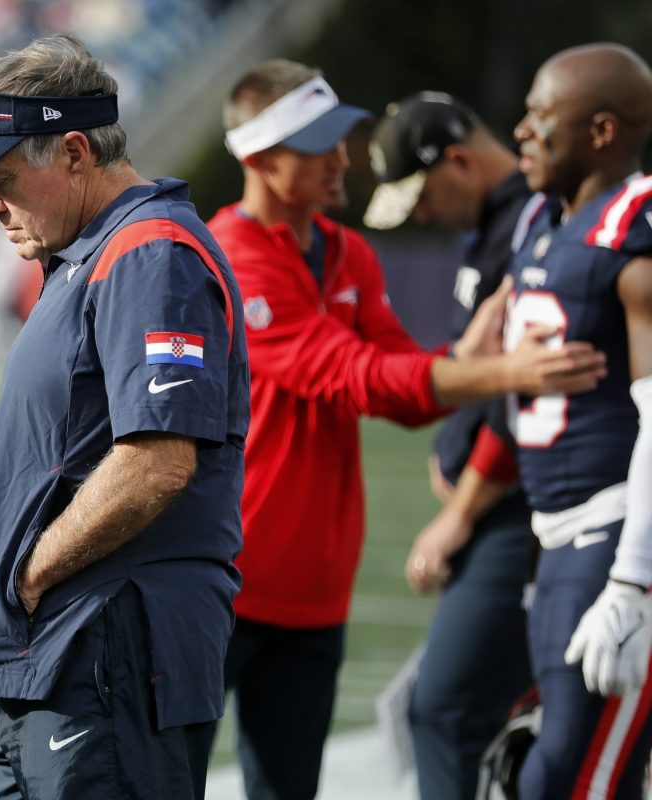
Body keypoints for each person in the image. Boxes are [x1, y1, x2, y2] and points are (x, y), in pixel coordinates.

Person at [206, 59, 607, 800]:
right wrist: (502, 371)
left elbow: (405, 392)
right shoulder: (230, 256)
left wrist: (468, 361)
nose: (342, 157)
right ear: (259, 158)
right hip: (223, 577)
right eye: (317, 143)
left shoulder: (348, 251)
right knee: (164, 778)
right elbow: (351, 374)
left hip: (317, 587)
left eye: (340, 137)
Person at [0, 34, 250, 799]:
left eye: (1, 178)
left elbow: (157, 460)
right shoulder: (94, 253)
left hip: (103, 656)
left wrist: (26, 575)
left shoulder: (149, 256)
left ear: (74, 152)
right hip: (64, 659)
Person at [364, 93, 535, 800]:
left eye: (424, 196)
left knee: (445, 709)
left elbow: (527, 393)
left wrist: (460, 512)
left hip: (520, 509)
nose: (425, 216)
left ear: (458, 161)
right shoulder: (496, 223)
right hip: (502, 506)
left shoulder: (529, 222)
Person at [503, 43, 652, 798]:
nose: (523, 130)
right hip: (557, 536)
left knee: (570, 776)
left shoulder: (633, 228)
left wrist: (634, 580)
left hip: (615, 534)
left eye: (542, 115)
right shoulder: (543, 218)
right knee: (558, 766)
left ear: (600, 130)